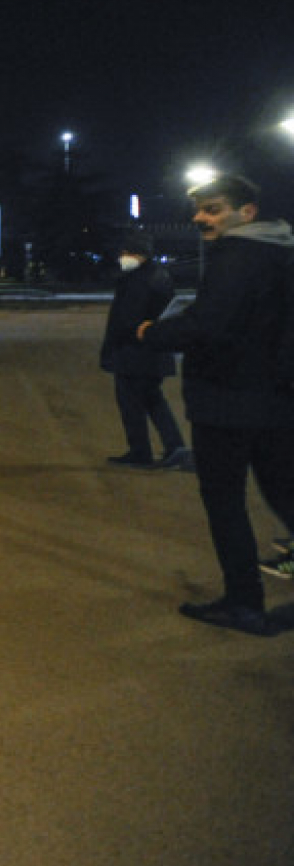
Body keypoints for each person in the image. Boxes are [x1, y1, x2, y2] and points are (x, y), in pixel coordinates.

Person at [136, 174, 294, 636]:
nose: (200, 218)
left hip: (227, 401)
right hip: (277, 399)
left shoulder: (236, 256)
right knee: (284, 494)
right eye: (200, 209)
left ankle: (243, 604)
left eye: (214, 209)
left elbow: (209, 326)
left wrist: (153, 333)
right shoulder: (282, 252)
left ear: (247, 213)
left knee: (225, 503)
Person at [99, 232, 188, 469]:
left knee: (131, 404)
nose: (122, 256)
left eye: (126, 252)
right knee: (152, 399)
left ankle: (140, 452)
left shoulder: (138, 280)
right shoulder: (158, 275)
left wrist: (116, 342)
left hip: (134, 353)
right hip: (154, 351)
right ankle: (175, 448)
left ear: (140, 254)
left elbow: (127, 320)